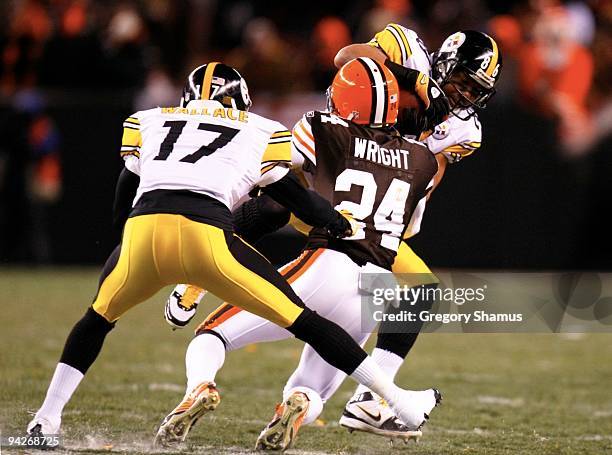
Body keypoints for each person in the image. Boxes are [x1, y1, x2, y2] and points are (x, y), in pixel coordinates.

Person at [25, 62, 439, 445]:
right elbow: (295, 200)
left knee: (99, 321)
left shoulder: (149, 120)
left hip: (144, 231)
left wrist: (125, 245)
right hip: (252, 245)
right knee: (309, 328)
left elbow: (124, 195)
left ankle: (45, 419)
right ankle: (395, 400)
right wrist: (336, 221)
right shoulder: (263, 130)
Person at [164, 26, 503, 440]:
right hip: (345, 169)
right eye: (463, 82)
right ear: (444, 64)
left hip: (363, 207)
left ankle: (370, 400)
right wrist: (411, 79)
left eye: (476, 89)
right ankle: (193, 280)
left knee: (421, 291)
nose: (466, 95)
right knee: (272, 205)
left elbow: (425, 186)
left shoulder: (461, 132)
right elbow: (348, 57)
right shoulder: (407, 53)